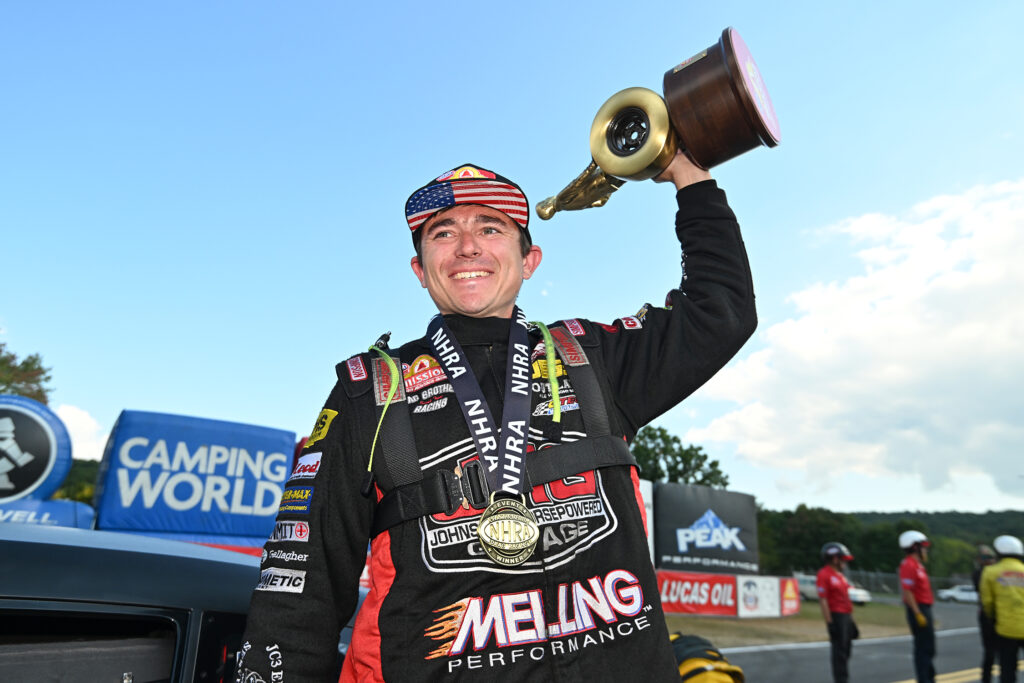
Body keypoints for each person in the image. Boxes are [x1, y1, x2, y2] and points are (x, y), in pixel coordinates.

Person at [235, 153, 757, 681]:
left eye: (491, 227)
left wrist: (690, 178)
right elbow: (300, 591)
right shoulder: (369, 389)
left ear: (529, 261)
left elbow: (722, 312)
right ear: (420, 269)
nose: (467, 246)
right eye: (443, 233)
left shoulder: (592, 358)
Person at [980, 535, 1024, 683]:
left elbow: (987, 603)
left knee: (1007, 669)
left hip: (1005, 629)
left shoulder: (990, 572)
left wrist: (991, 619)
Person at [900, 529, 936, 682]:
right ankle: (924, 679)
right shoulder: (909, 565)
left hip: (924, 608)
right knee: (923, 648)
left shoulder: (918, 565)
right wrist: (917, 613)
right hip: (918, 609)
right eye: (923, 546)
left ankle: (929, 677)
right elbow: (908, 591)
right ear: (915, 547)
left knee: (929, 648)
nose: (925, 549)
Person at [817, 541, 856, 683]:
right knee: (839, 653)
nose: (844, 563)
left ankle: (844, 678)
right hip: (836, 616)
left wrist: (852, 622)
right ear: (834, 558)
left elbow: (846, 599)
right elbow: (823, 600)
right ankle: (841, 680)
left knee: (846, 651)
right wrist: (830, 623)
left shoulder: (840, 576)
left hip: (846, 616)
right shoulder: (824, 574)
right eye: (843, 559)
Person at [974, 544, 998, 683]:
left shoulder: (998, 572)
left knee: (1005, 654)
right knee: (989, 653)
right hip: (986, 615)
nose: (988, 560)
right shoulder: (978, 574)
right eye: (984, 557)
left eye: (990, 557)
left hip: (1001, 615)